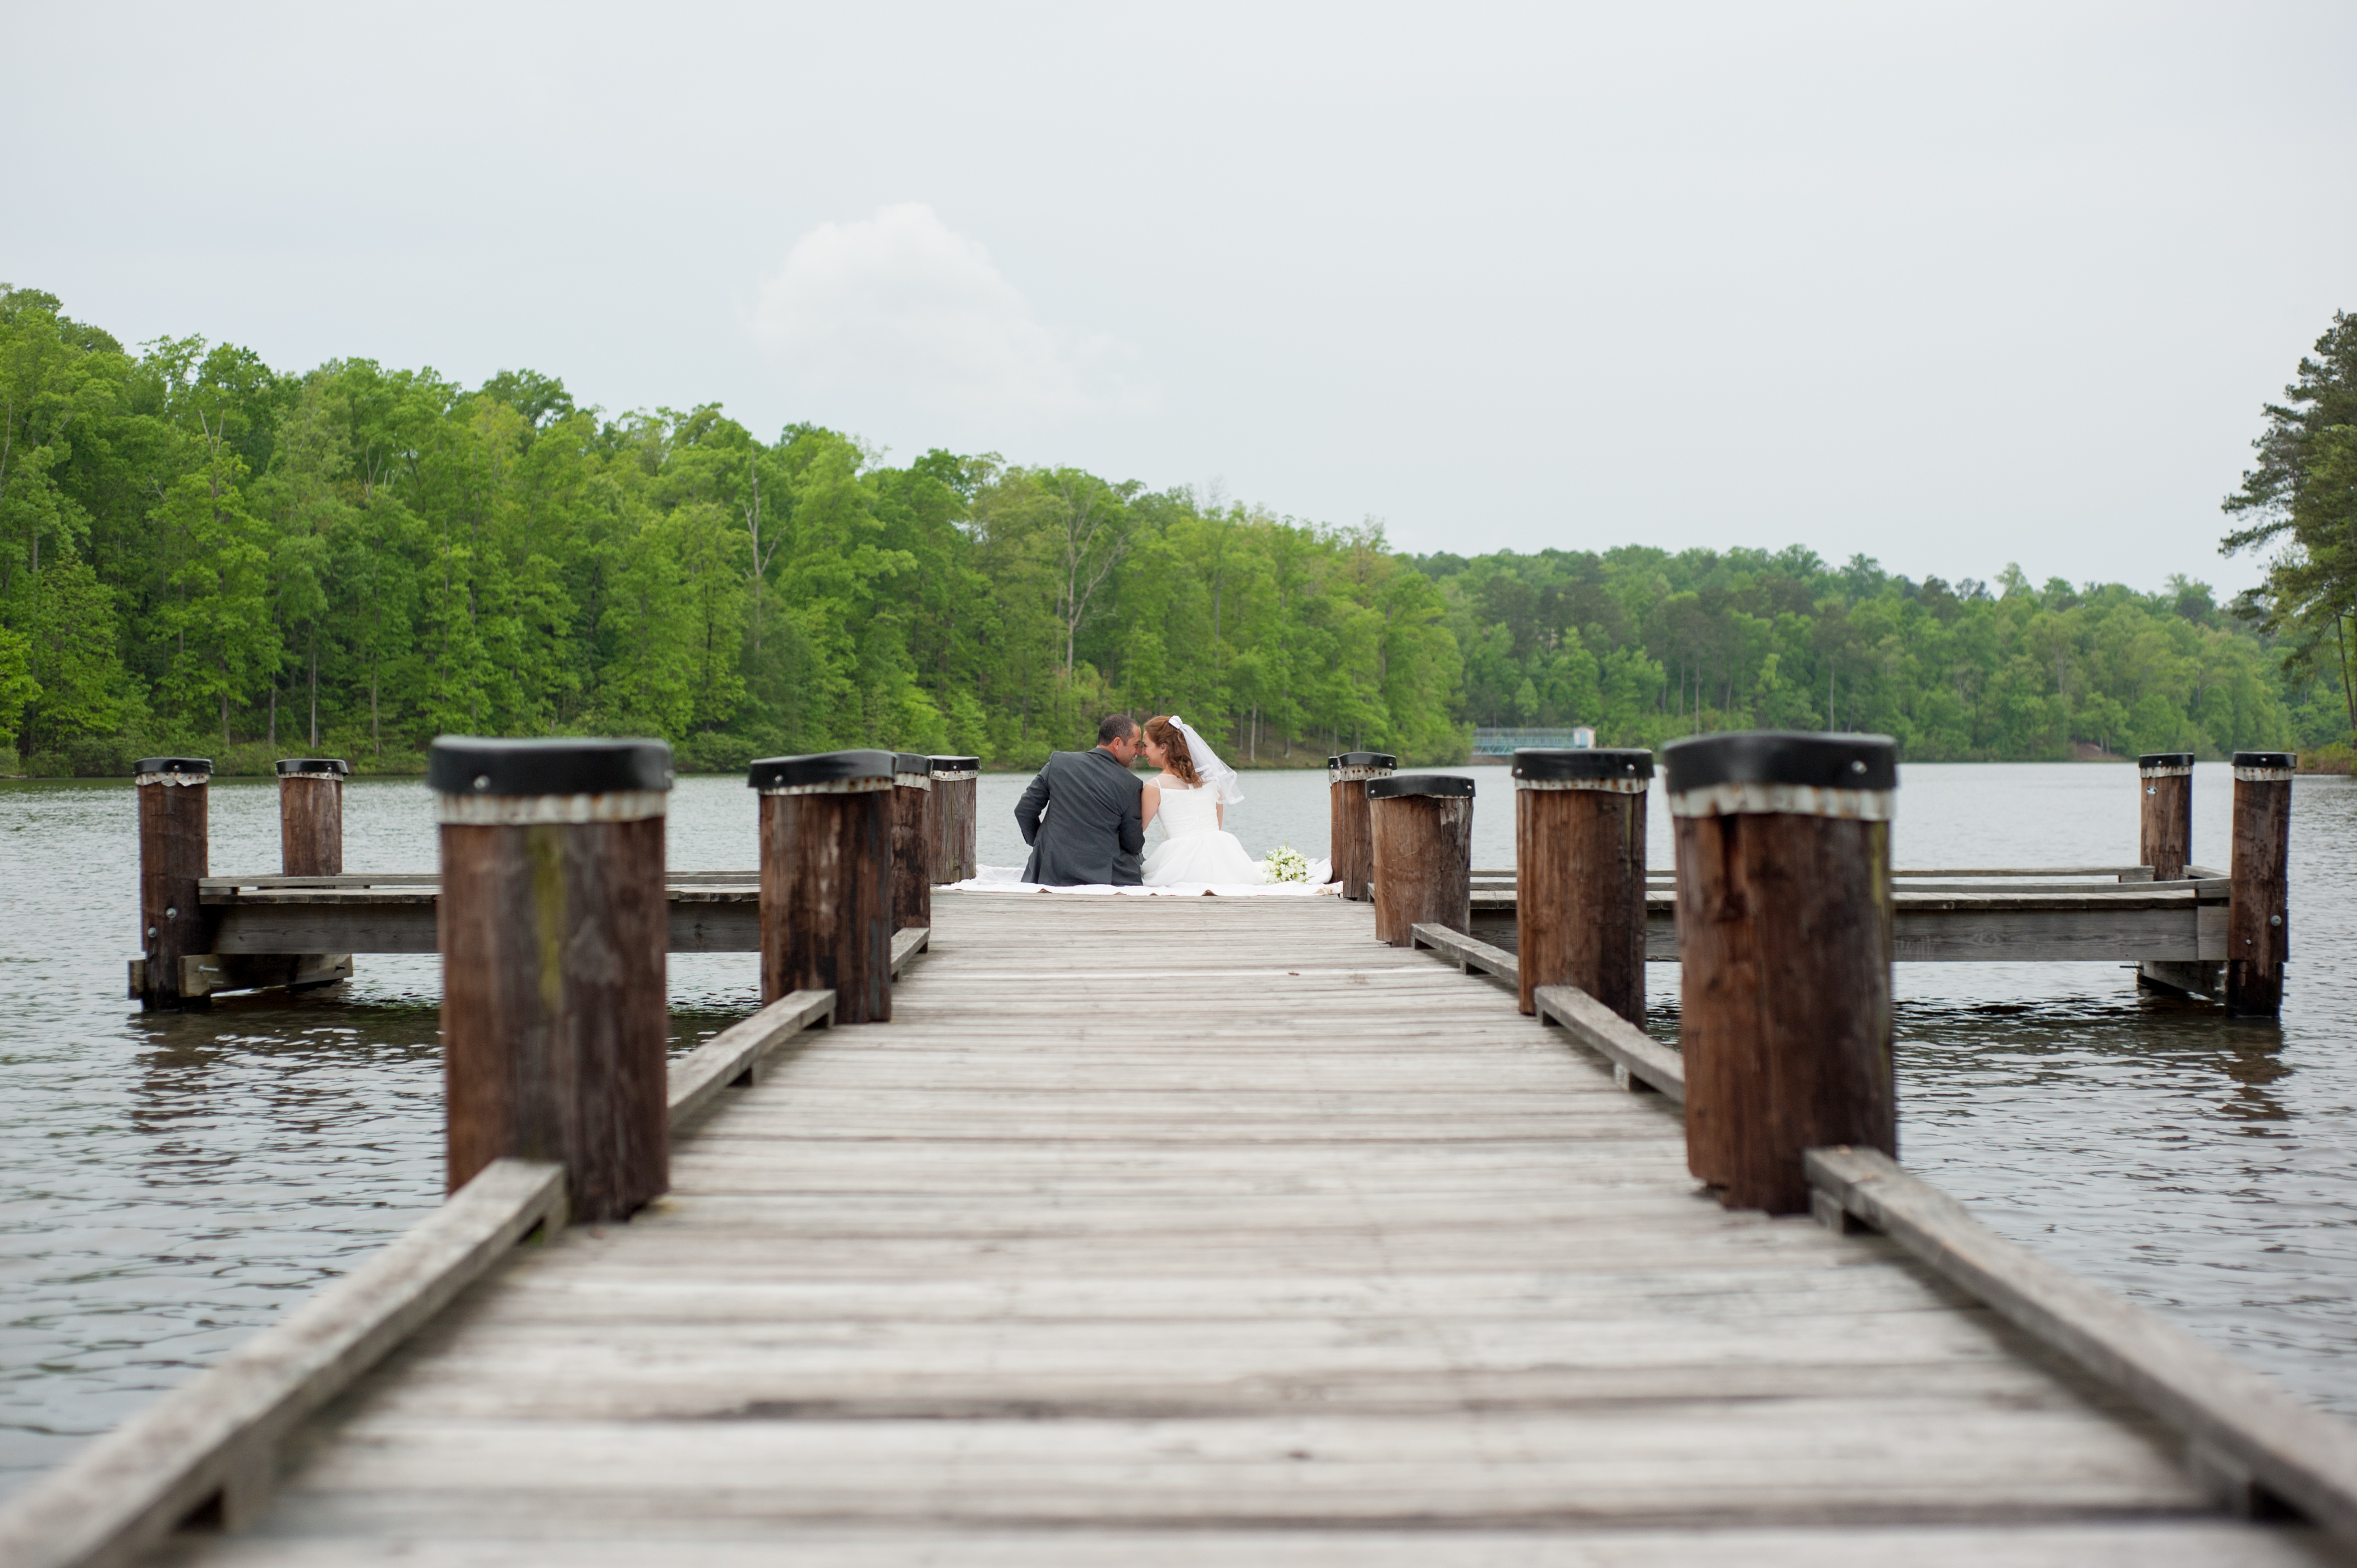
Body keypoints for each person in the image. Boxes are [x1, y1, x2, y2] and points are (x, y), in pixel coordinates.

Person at [1014, 714, 1146, 886]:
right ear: (1118, 743)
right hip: (1101, 876)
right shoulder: (1131, 784)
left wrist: (1042, 845)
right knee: (1138, 857)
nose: (1139, 751)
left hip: (1052, 870)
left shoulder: (1059, 763)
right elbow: (1132, 844)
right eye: (1136, 745)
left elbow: (1024, 810)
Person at [1138, 713, 1263, 886]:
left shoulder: (1155, 786)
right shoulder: (1212, 781)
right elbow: (1217, 826)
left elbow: (1137, 833)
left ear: (1163, 747)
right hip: (1222, 855)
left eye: (1145, 746)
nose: (1142, 752)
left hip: (1181, 860)